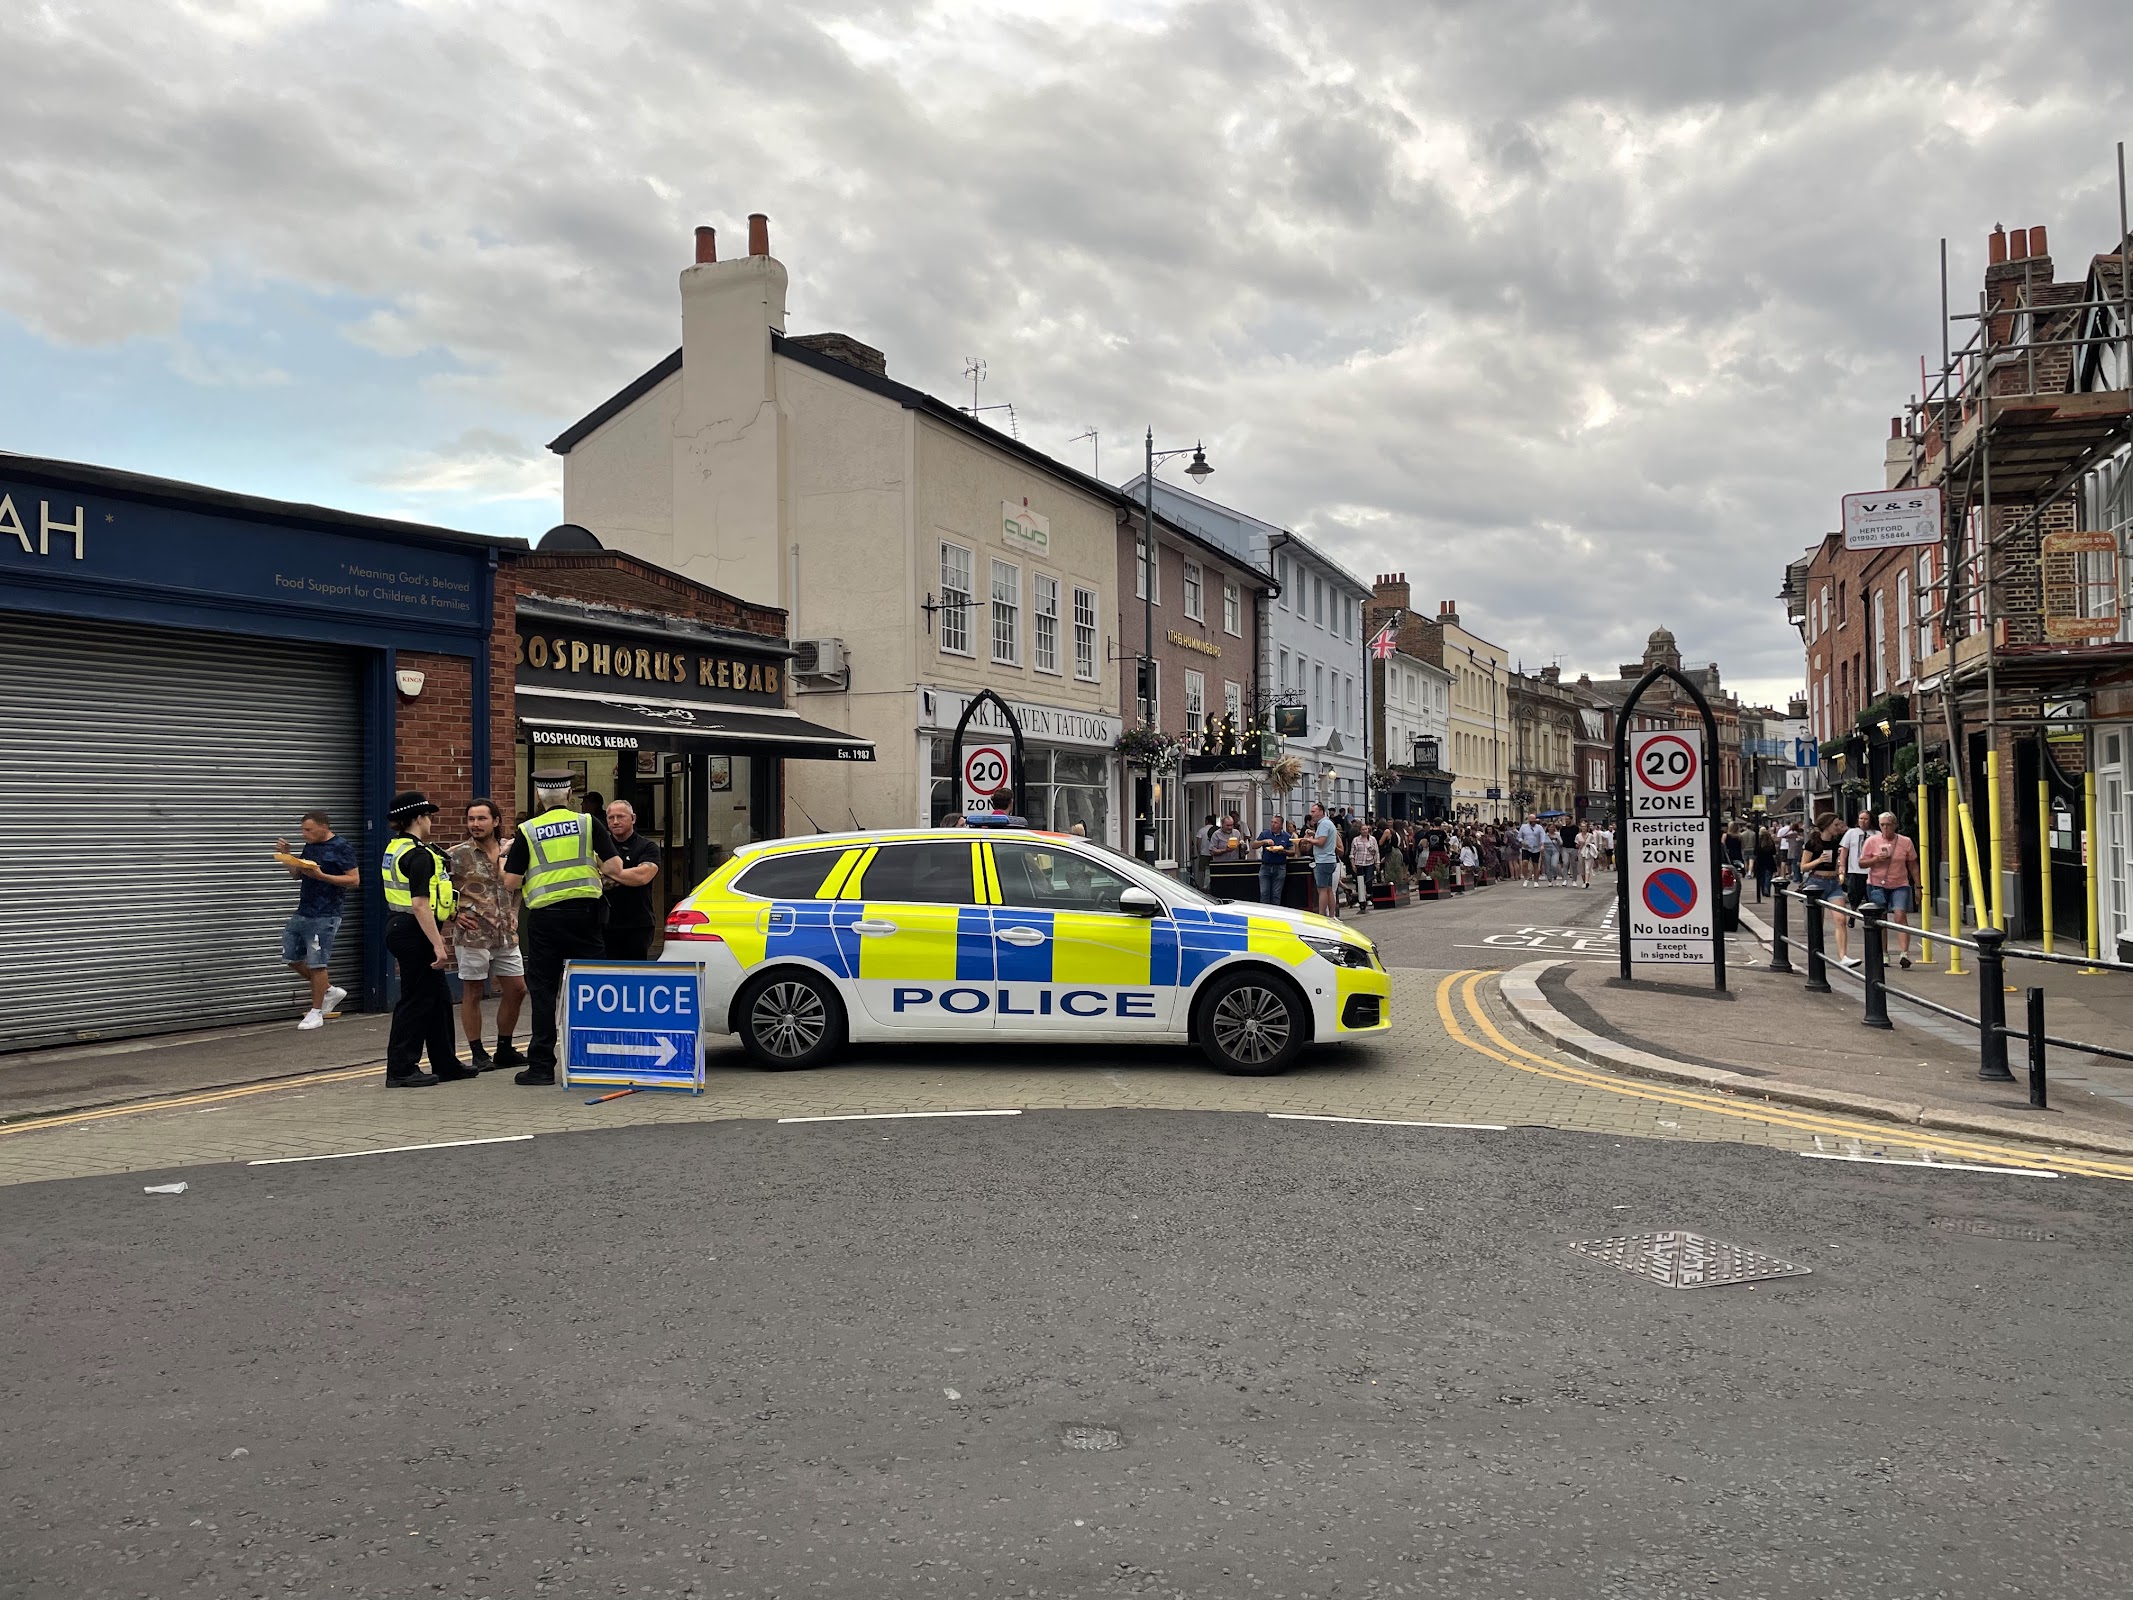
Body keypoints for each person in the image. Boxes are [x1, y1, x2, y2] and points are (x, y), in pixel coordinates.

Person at [504, 769, 624, 1087]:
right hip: (586, 916)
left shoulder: (527, 830)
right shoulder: (588, 823)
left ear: (539, 799)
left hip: (545, 922)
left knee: (544, 992)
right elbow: (615, 867)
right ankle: (599, 1062)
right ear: (570, 796)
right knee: (595, 988)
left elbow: (511, 882)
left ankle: (542, 1066)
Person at [381, 790, 473, 1088]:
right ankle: (401, 1069)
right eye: (428, 816)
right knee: (416, 1001)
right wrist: (438, 943)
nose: (431, 821)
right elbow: (420, 903)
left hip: (401, 926)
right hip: (414, 930)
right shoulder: (419, 855)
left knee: (437, 999)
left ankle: (446, 1063)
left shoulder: (397, 848)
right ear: (419, 818)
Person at [447, 798, 526, 1072]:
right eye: (471, 819)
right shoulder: (456, 854)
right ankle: (478, 1052)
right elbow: (437, 889)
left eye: (481, 818)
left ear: (495, 821)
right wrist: (453, 914)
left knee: (517, 989)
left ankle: (504, 1048)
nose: (475, 824)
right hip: (473, 935)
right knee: (473, 992)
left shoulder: (513, 849)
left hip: (506, 933)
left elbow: (521, 883)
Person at [276, 809, 357, 1031]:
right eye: (303, 829)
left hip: (326, 914)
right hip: (304, 910)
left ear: (324, 827)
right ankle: (329, 991)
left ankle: (316, 1012)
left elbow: (354, 880)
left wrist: (323, 876)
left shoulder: (341, 847)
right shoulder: (310, 846)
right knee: (291, 957)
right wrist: (288, 857)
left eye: (308, 829)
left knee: (317, 962)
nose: (304, 834)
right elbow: (297, 875)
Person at [602, 799, 665, 960]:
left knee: (634, 974)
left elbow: (642, 876)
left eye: (621, 817)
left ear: (633, 818)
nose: (615, 822)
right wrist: (625, 876)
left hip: (638, 925)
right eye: (611, 817)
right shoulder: (600, 847)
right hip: (604, 925)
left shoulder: (647, 847)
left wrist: (607, 872)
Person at [1859, 811, 1921, 968]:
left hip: (1900, 884)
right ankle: (1884, 954)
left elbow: (1913, 864)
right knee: (1881, 918)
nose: (1885, 828)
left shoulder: (1905, 842)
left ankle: (1904, 954)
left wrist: (1918, 886)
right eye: (1882, 825)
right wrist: (1875, 859)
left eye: (1888, 824)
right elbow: (1861, 863)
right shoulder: (1872, 841)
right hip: (1876, 884)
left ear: (1895, 825)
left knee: (1900, 915)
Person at [1800, 813, 1850, 963]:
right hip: (1816, 882)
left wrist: (1839, 870)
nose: (1837, 828)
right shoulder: (1813, 843)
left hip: (1833, 883)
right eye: (1835, 825)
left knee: (1841, 919)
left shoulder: (1836, 843)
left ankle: (1843, 956)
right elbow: (1803, 866)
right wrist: (1819, 860)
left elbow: (1837, 862)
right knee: (1817, 922)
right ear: (1827, 825)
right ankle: (1816, 955)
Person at [1838, 808, 1874, 922]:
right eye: (1861, 818)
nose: (1863, 821)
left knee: (1870, 895)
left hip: (1871, 870)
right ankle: (1853, 914)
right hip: (1855, 869)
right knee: (1854, 893)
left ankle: (1870, 916)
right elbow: (1844, 850)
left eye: (1866, 819)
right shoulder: (1851, 833)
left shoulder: (1876, 834)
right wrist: (1842, 866)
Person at [1308, 801, 1341, 918]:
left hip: (1323, 860)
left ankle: (1321, 915)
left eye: (1313, 811)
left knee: (1321, 890)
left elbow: (1321, 842)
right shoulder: (1329, 823)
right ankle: (1332, 914)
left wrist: (1309, 840)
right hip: (1330, 860)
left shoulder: (1323, 824)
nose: (1311, 814)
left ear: (1321, 812)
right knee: (1329, 889)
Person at [1256, 814, 1293, 905]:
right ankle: (1264, 914)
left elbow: (1292, 852)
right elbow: (1254, 845)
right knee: (1264, 893)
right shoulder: (1265, 834)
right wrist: (1264, 841)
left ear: (1281, 825)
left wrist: (1282, 851)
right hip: (1265, 867)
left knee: (1276, 894)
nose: (1273, 824)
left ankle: (1275, 915)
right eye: (1272, 822)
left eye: (1275, 823)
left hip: (1280, 867)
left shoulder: (1286, 836)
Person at [1348, 820, 1379, 913]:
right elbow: (1352, 853)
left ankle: (1369, 898)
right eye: (1363, 829)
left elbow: (1376, 852)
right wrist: (1353, 864)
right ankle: (1359, 899)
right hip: (1359, 862)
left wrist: (1377, 863)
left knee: (1369, 880)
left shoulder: (1372, 839)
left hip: (1369, 862)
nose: (1365, 831)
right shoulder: (1356, 840)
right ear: (1360, 831)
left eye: (1366, 829)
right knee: (1359, 882)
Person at [1516, 813, 1546, 887]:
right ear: (1529, 820)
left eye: (1534, 820)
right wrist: (1522, 842)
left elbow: (1542, 836)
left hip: (1536, 848)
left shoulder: (1539, 828)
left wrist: (1542, 845)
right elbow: (1519, 836)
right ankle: (1526, 878)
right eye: (1532, 820)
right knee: (1525, 862)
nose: (1533, 821)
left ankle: (1536, 880)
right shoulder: (1524, 827)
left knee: (1535, 865)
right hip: (1526, 848)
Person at [1752, 827, 1779, 904]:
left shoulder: (1758, 842)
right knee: (1768, 877)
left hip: (1760, 861)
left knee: (1761, 877)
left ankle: (1763, 890)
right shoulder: (1770, 841)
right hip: (1769, 861)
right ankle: (1767, 889)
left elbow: (1755, 852)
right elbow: (1774, 852)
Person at [1192, 814, 1217, 890]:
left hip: (1204, 853)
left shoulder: (1201, 830)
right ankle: (1210, 884)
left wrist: (1199, 851)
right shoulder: (1216, 830)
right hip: (1214, 853)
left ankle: (1204, 885)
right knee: (1212, 870)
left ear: (1206, 821)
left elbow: (1198, 842)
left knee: (1204, 870)